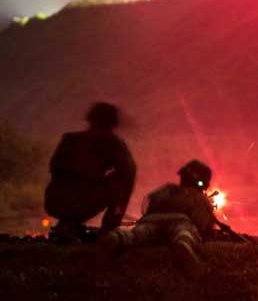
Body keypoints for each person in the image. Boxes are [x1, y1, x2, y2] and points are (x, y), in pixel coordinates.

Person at [97, 160, 235, 275]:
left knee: (137, 234)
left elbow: (149, 207)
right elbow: (201, 223)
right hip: (181, 221)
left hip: (152, 220)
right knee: (184, 233)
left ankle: (118, 237)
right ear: (203, 182)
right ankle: (183, 244)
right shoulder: (198, 197)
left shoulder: (167, 189)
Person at [44, 102, 137, 243]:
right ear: (112, 123)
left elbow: (56, 171)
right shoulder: (112, 143)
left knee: (76, 192)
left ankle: (67, 225)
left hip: (53, 201)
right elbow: (129, 171)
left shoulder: (69, 139)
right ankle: (109, 229)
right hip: (81, 202)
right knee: (123, 181)